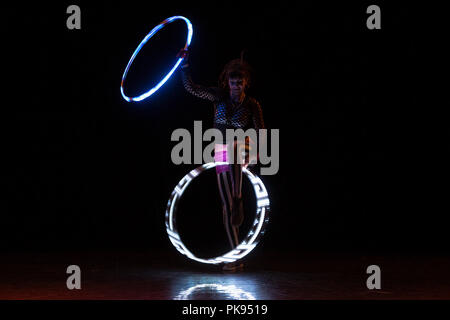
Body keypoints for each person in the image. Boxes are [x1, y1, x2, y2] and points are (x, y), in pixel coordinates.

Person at [177, 49, 265, 272]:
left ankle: (238, 195)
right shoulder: (218, 96)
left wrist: (254, 157)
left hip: (243, 145)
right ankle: (234, 255)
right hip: (222, 150)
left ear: (246, 83)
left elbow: (261, 133)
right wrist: (184, 65)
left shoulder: (252, 104)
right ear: (227, 82)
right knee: (227, 207)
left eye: (240, 82)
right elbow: (191, 88)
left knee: (235, 146)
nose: (236, 86)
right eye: (233, 82)